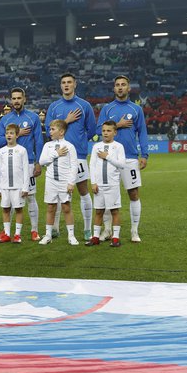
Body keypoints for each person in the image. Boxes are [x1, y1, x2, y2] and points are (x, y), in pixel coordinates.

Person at [96, 75, 149, 243]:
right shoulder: (107, 109)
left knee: (133, 193)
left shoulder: (136, 109)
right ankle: (107, 230)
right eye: (117, 85)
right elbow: (99, 130)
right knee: (105, 195)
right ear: (114, 89)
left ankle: (134, 231)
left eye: (123, 85)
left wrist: (144, 154)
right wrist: (117, 125)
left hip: (130, 158)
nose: (120, 87)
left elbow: (143, 132)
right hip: (108, 158)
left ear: (128, 88)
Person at [45, 73, 96, 241]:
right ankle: (54, 229)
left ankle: (88, 229)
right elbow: (48, 130)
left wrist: (78, 144)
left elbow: (91, 130)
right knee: (56, 193)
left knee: (82, 190)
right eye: (63, 83)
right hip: (57, 155)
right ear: (61, 86)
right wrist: (66, 121)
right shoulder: (54, 106)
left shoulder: (84, 105)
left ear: (75, 84)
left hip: (78, 156)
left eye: (69, 82)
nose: (66, 85)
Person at [0, 88, 44, 241]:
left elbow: (39, 140)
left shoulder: (33, 117)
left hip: (28, 163)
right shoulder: (5, 120)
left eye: (19, 98)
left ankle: (34, 231)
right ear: (11, 100)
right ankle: (7, 231)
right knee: (8, 199)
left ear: (24, 99)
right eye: (13, 98)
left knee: (30, 197)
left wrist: (38, 163)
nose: (16, 101)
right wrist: (19, 134)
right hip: (10, 166)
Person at [38, 119, 79, 246]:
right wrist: (56, 153)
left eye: (52, 129)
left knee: (66, 207)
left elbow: (74, 166)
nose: (50, 131)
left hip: (64, 181)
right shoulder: (47, 145)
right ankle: (48, 235)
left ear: (61, 131)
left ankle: (71, 236)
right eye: (50, 129)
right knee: (51, 207)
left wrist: (71, 182)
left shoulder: (69, 146)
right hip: (51, 181)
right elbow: (42, 161)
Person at [86, 120, 126, 247]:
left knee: (114, 211)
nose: (106, 133)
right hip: (99, 185)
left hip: (112, 184)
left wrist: (107, 156)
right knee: (98, 211)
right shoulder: (96, 146)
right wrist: (93, 183)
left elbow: (122, 164)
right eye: (104, 131)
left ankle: (115, 238)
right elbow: (92, 165)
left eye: (109, 131)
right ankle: (96, 237)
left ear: (115, 132)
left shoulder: (118, 146)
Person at [0, 124, 30, 244]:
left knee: (19, 209)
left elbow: (26, 170)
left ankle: (17, 234)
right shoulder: (1, 151)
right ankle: (7, 234)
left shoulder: (22, 150)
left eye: (11, 133)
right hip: (4, 186)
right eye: (7, 133)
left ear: (17, 135)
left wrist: (25, 187)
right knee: (5, 209)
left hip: (18, 186)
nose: (9, 135)